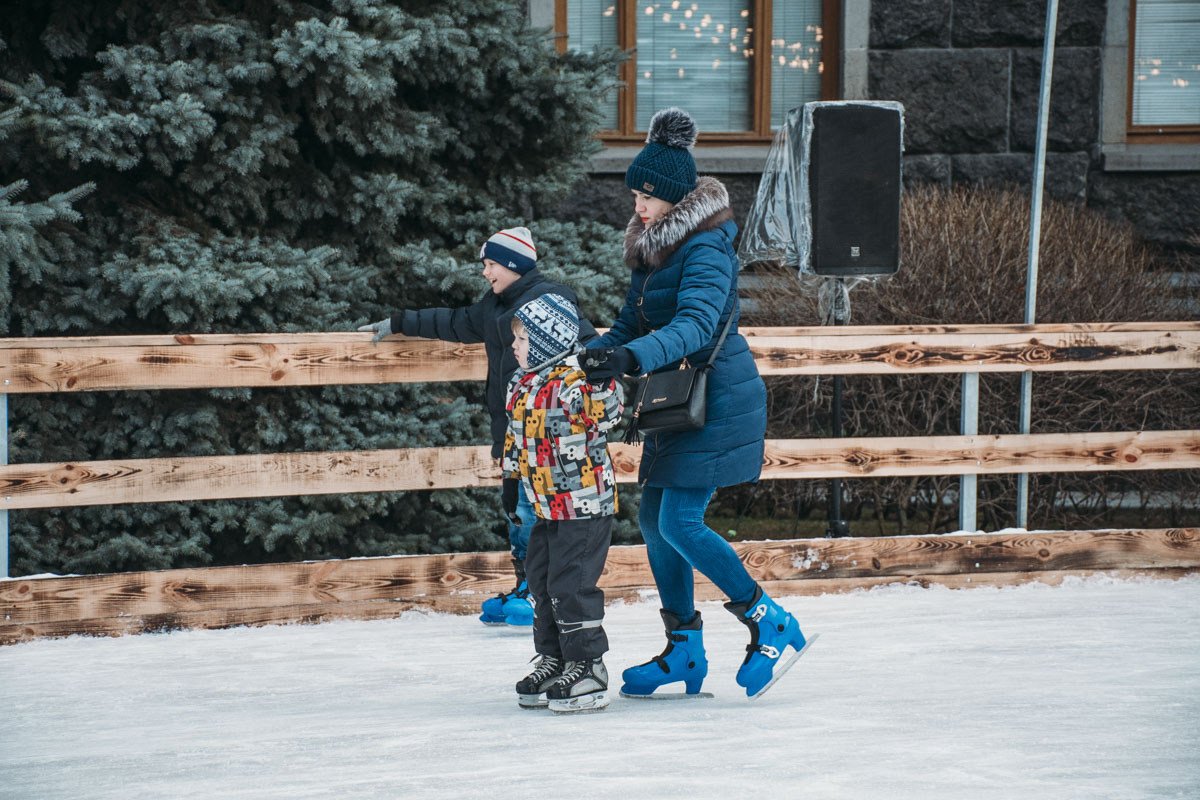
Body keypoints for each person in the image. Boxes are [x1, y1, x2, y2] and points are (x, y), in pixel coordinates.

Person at [580, 107, 809, 699]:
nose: (638, 206)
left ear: (677, 199)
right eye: (636, 194)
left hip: (717, 399)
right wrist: (598, 353)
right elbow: (632, 321)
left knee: (680, 519)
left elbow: (697, 324)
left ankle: (770, 622)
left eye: (649, 197)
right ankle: (683, 648)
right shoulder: (655, 247)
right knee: (655, 522)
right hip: (676, 401)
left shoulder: (705, 247)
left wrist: (632, 360)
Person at [358, 227, 598, 626]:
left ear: (514, 264)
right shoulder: (493, 306)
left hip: (546, 433)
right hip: (510, 431)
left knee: (539, 510)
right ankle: (528, 587)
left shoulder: (551, 301)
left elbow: (589, 349)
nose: (485, 272)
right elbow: (454, 322)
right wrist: (400, 321)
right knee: (516, 509)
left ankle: (545, 596)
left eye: (491, 264)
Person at [502, 294, 623, 713]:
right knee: (541, 580)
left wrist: (602, 380)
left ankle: (588, 665)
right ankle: (556, 658)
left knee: (571, 585)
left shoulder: (575, 381)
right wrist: (509, 477)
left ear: (545, 340)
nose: (513, 347)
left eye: (521, 339)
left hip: (584, 504)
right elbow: (515, 436)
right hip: (545, 505)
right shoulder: (521, 383)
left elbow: (607, 416)